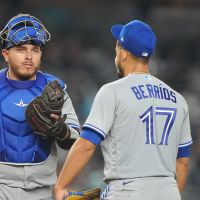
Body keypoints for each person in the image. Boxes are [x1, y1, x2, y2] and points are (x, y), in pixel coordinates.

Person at [54, 20, 193, 200]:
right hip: (169, 191)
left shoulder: (113, 91)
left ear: (123, 53)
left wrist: (60, 185)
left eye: (116, 50)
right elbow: (183, 162)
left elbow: (86, 146)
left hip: (128, 191)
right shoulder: (179, 100)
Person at [0, 13, 80, 200]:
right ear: (6, 54)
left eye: (35, 50)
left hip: (41, 190)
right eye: (20, 49)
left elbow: (76, 138)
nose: (29, 56)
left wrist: (61, 131)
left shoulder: (54, 89)